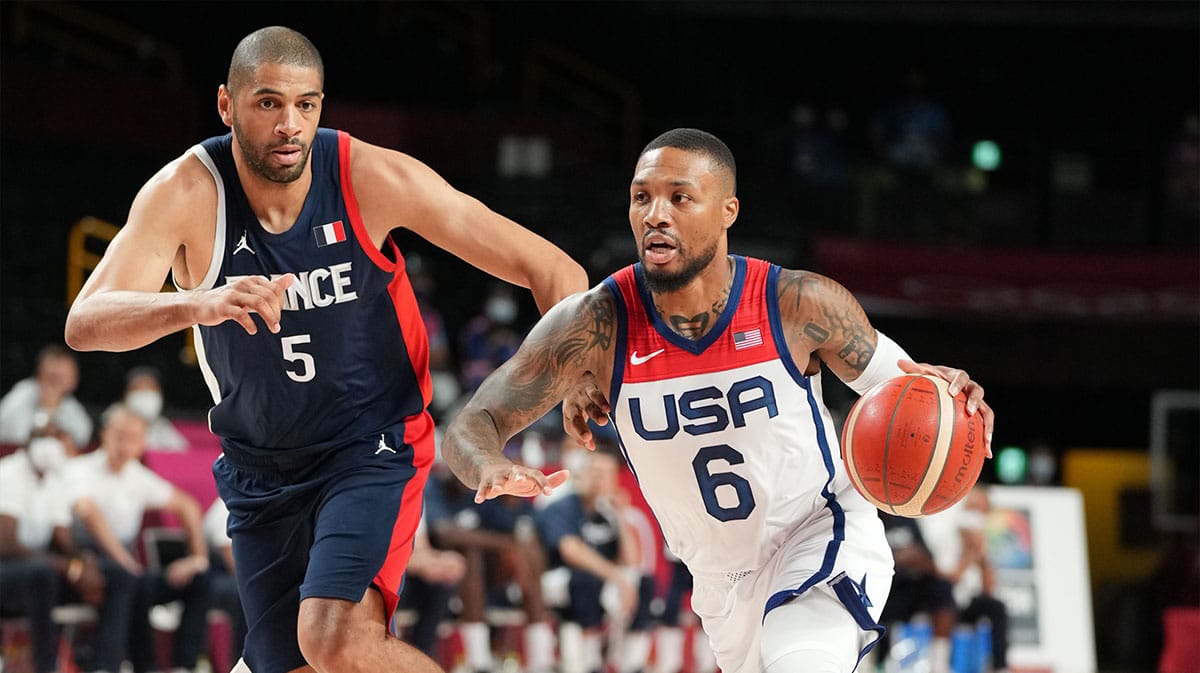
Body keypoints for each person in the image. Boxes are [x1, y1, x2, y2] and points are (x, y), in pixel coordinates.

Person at [62, 25, 587, 673]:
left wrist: (573, 380)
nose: (290, 124)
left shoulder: (369, 176)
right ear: (226, 105)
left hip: (371, 445)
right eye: (268, 103)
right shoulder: (188, 194)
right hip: (260, 470)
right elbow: (87, 320)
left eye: (306, 104)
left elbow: (553, 269)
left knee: (334, 635)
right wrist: (197, 303)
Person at [440, 128, 994, 673]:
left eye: (680, 197)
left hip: (820, 534)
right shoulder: (596, 325)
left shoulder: (799, 303)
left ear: (728, 210)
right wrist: (488, 463)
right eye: (642, 197)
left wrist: (953, 401)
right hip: (719, 584)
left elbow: (911, 395)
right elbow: (473, 423)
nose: (656, 214)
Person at [62, 404, 211, 673]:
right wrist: (125, 561)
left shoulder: (138, 477)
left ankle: (182, 666)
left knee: (197, 579)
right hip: (85, 562)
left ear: (143, 442)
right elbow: (89, 513)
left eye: (135, 437)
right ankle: (106, 666)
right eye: (121, 435)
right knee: (126, 579)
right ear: (105, 434)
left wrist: (196, 559)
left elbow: (187, 505)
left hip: (129, 569)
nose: (127, 443)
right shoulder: (78, 469)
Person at [0, 421, 119, 673]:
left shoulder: (54, 479)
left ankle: (105, 665)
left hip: (39, 567)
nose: (52, 446)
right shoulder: (8, 472)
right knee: (41, 574)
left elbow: (63, 539)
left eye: (58, 439)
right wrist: (67, 567)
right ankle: (45, 665)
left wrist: (84, 564)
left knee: (115, 574)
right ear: (30, 441)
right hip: (7, 568)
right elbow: (6, 544)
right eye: (46, 438)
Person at [534, 443, 655, 673]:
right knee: (585, 580)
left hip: (603, 580)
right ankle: (589, 664)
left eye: (607, 474)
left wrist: (620, 515)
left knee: (644, 582)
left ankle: (632, 663)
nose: (601, 479)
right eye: (596, 472)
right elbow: (571, 551)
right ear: (582, 473)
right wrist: (618, 578)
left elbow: (631, 562)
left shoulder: (606, 513)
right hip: (559, 579)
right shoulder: (563, 505)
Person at [919, 485, 1010, 673]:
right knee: (943, 594)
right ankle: (939, 664)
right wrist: (965, 562)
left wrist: (982, 559)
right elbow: (951, 573)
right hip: (940, 592)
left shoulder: (979, 534)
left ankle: (1000, 667)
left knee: (997, 608)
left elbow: (988, 589)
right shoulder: (953, 526)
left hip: (965, 599)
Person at [0, 344, 93, 451]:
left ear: (74, 381)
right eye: (53, 376)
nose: (56, 383)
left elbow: (82, 435)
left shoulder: (70, 404)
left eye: (63, 377)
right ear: (40, 374)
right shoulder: (22, 394)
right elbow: (19, 438)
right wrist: (47, 410)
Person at [203, 497, 247, 671]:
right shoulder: (229, 503)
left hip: (238, 575)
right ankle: (244, 660)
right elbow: (236, 564)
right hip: (213, 578)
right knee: (249, 595)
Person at [123, 366, 189, 451]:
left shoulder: (162, 426)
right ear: (127, 395)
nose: (145, 396)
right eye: (139, 389)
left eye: (151, 389)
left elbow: (183, 453)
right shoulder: (113, 421)